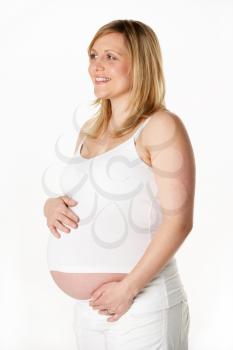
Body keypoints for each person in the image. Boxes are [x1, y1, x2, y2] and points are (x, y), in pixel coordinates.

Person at [43, 19, 195, 350]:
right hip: (89, 311)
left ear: (140, 63)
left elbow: (179, 221)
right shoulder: (89, 130)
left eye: (110, 57)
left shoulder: (161, 127)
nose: (96, 66)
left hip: (142, 304)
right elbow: (87, 198)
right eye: (93, 55)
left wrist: (128, 289)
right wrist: (50, 206)